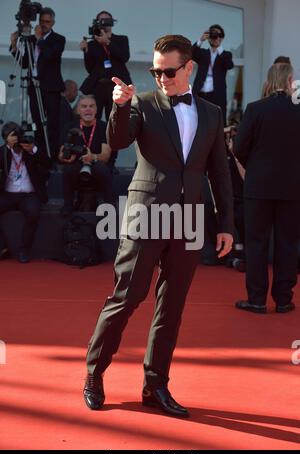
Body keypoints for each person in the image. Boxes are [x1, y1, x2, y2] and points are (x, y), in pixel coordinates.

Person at [83, 35, 234, 417]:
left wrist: (226, 225)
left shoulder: (212, 113)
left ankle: (155, 385)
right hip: (145, 214)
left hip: (189, 220)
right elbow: (117, 140)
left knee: (172, 306)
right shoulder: (142, 103)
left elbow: (220, 172)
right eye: (156, 71)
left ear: (189, 69)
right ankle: (94, 375)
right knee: (127, 298)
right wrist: (119, 107)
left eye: (168, 71)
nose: (161, 77)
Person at [234, 63, 300, 314]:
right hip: (293, 187)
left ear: (269, 81)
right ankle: (283, 299)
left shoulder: (255, 109)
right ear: (290, 80)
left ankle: (257, 299)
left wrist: (256, 164)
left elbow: (239, 147)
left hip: (259, 186)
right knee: (288, 243)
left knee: (256, 243)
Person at [10, 7, 66, 159]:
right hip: (34, 87)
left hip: (51, 88)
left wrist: (40, 39)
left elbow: (49, 56)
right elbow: (24, 64)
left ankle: (53, 155)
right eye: (41, 21)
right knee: (37, 123)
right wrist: (15, 46)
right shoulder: (31, 39)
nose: (43, 24)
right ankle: (40, 153)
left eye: (47, 22)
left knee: (52, 123)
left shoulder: (58, 39)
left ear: (53, 23)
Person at [0, 122, 51, 262]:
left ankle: (24, 249)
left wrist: (32, 149)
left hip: (29, 194)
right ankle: (2, 246)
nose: (17, 140)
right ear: (6, 138)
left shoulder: (30, 150)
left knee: (33, 212)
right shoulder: (2, 152)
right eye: (13, 136)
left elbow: (48, 164)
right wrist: (8, 146)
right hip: (8, 194)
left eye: (18, 136)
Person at [58, 95, 113, 215]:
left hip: (96, 162)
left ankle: (110, 207)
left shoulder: (104, 127)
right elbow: (61, 155)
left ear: (96, 109)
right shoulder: (69, 127)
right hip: (76, 162)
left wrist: (92, 157)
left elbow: (105, 155)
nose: (88, 109)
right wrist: (67, 157)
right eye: (84, 106)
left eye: (91, 106)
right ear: (78, 110)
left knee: (103, 170)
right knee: (67, 170)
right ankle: (68, 206)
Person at [79, 10, 131, 121]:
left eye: (106, 20)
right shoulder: (92, 43)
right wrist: (86, 51)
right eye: (101, 20)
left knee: (114, 119)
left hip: (116, 86)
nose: (104, 23)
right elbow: (90, 68)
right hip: (99, 85)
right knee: (94, 118)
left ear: (112, 22)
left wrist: (107, 42)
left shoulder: (121, 39)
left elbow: (124, 57)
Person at [192, 24, 234, 124]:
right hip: (200, 93)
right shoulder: (203, 53)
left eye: (219, 35)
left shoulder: (225, 54)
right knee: (197, 120)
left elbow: (229, 65)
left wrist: (219, 48)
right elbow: (191, 54)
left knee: (216, 121)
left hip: (216, 95)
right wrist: (201, 40)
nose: (216, 37)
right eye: (214, 35)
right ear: (209, 37)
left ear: (222, 38)